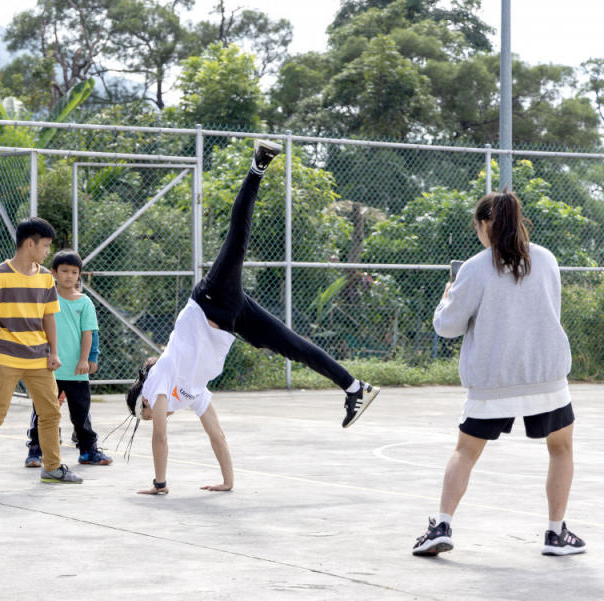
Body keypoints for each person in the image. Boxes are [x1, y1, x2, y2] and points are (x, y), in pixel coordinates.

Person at [125, 140, 379, 495]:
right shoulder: (190, 393)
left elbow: (160, 439)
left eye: (150, 414)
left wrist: (160, 484)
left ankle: (258, 166)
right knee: (294, 347)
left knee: (237, 237)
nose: (159, 418)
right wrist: (228, 482)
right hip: (232, 320)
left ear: (145, 402)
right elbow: (217, 435)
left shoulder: (159, 380)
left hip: (210, 303)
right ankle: (355, 388)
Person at [412, 191, 585, 557]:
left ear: (485, 224)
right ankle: (556, 534)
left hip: (493, 381)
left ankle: (441, 525)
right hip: (546, 375)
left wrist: (447, 297)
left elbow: (447, 327)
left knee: (466, 451)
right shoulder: (546, 259)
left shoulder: (474, 268)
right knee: (561, 448)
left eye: (477, 225)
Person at [0, 217, 84, 489]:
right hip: (5, 358)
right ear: (29, 243)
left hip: (39, 359)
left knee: (51, 414)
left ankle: (52, 468)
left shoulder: (45, 277)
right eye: (44, 245)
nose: (47, 251)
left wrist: (54, 352)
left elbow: (49, 318)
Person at [25, 250, 112, 467]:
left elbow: (89, 333)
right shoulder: (45, 298)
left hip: (76, 370)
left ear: (79, 275)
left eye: (74, 272)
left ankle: (87, 451)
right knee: (43, 413)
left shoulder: (85, 303)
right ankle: (36, 451)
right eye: (64, 271)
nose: (69, 276)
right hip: (48, 369)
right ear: (54, 272)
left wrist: (87, 359)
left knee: (80, 414)